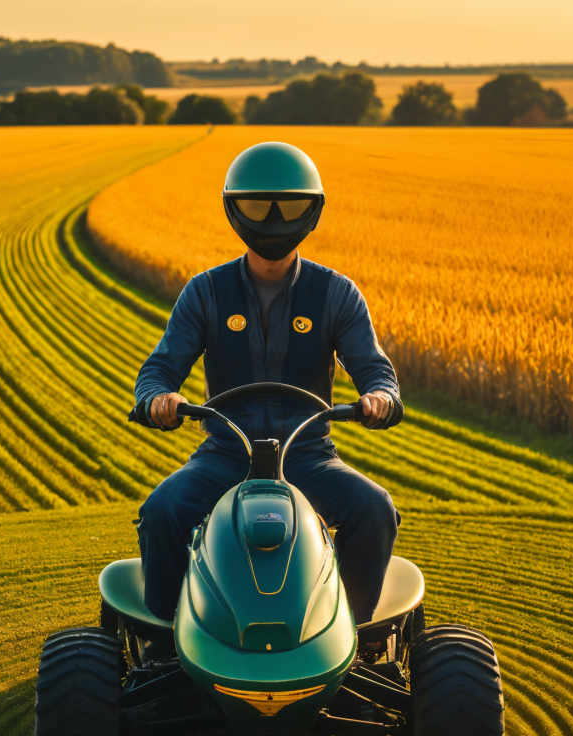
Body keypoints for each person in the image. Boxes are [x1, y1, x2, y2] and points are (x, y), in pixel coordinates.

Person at [133, 140, 403, 626]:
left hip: (308, 456)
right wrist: (158, 398)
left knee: (375, 509)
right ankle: (167, 637)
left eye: (290, 205)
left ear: (312, 211)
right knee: (162, 512)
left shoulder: (336, 293)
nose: (275, 219)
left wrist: (380, 397)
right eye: (259, 205)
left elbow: (375, 369)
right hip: (225, 455)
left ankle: (349, 635)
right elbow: (159, 369)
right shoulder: (206, 291)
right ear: (234, 210)